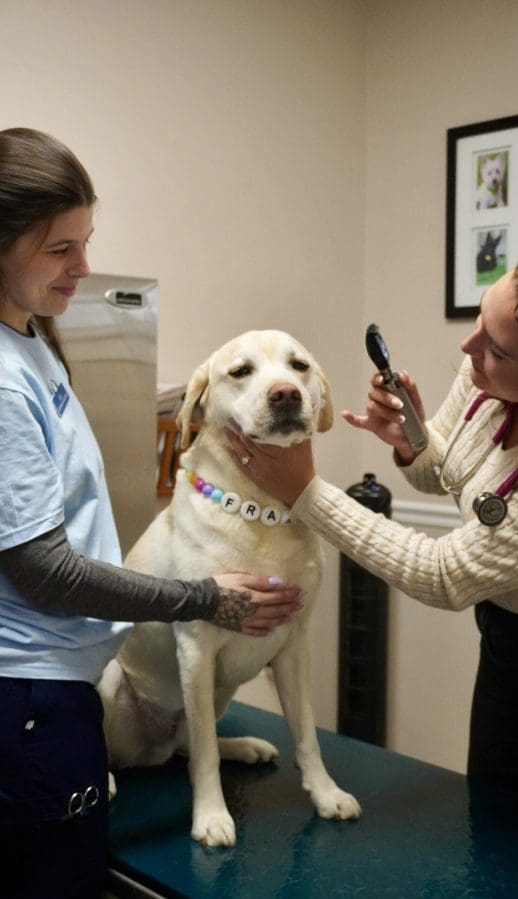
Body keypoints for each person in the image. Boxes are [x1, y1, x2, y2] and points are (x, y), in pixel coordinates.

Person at [0, 127, 303, 899]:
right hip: (31, 699)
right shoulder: (4, 379)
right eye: (60, 248)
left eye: (87, 241)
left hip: (61, 684)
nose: (85, 267)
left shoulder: (33, 337)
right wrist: (206, 598)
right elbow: (43, 569)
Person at [227, 233, 518, 844]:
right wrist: (410, 440)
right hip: (504, 635)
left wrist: (305, 491)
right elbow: (449, 471)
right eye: (481, 318)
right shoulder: (487, 375)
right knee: (498, 817)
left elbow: (444, 574)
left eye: (496, 348)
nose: (469, 346)